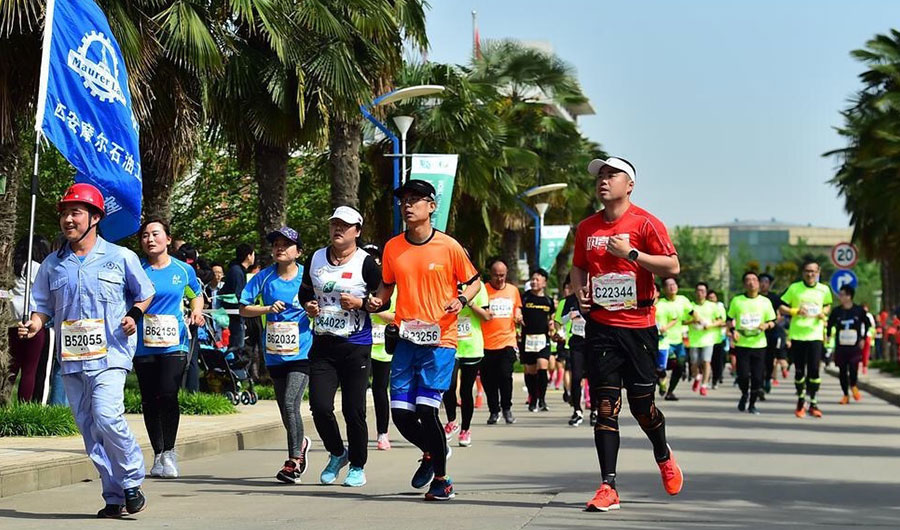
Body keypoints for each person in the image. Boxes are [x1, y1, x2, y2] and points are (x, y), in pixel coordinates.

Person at [19, 183, 154, 517]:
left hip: (111, 354)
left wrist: (134, 316)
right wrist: (35, 324)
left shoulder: (121, 257)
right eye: (65, 213)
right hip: (72, 359)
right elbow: (41, 306)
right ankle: (114, 495)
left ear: (95, 218)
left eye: (75, 212)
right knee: (90, 429)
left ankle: (131, 480)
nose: (68, 219)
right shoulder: (52, 264)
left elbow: (145, 293)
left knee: (107, 417)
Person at [571, 156, 683, 512]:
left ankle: (663, 454)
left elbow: (672, 266)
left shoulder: (646, 223)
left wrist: (632, 253)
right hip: (601, 327)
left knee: (642, 407)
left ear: (629, 184)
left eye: (611, 175)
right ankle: (608, 486)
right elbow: (578, 267)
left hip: (638, 329)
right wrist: (579, 291)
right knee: (605, 407)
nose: (603, 181)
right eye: (600, 176)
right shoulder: (587, 227)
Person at [366, 179, 481, 501]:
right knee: (401, 413)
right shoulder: (393, 247)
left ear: (431, 206)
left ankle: (442, 480)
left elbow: (474, 282)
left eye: (415, 199)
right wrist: (377, 300)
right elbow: (386, 286)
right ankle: (433, 450)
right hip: (406, 338)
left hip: (440, 340)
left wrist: (461, 299)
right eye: (403, 200)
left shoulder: (449, 246)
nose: (407, 205)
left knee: (427, 410)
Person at [300, 206, 383, 487]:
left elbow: (383, 300)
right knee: (320, 406)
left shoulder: (365, 263)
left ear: (356, 231)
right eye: (334, 224)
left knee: (353, 410)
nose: (338, 229)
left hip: (355, 345)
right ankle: (337, 453)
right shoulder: (316, 258)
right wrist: (309, 305)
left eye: (345, 226)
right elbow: (305, 292)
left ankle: (358, 465)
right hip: (323, 343)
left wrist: (361, 303)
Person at [239, 227, 313, 484]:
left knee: (291, 403)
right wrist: (267, 308)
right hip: (275, 353)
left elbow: (323, 303)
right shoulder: (264, 277)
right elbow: (243, 308)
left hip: (302, 351)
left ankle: (294, 461)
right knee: (284, 408)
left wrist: (312, 310)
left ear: (298, 251)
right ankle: (300, 443)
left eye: (286, 244)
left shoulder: (307, 276)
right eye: (276, 244)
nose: (280, 248)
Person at [134, 219, 204, 479]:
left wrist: (197, 312)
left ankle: (170, 452)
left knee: (168, 393)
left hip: (174, 342)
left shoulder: (182, 270)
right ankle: (157, 453)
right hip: (143, 344)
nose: (150, 239)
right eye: (145, 236)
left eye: (155, 234)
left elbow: (196, 294)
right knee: (149, 399)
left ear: (168, 239)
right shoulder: (136, 269)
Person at [779, 260, 832, 418]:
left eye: (813, 271)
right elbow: (781, 306)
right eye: (807, 271)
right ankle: (801, 401)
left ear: (818, 272)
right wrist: (795, 311)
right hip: (798, 335)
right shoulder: (794, 288)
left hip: (815, 335)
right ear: (803, 273)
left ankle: (814, 402)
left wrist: (823, 312)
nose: (810, 274)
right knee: (800, 370)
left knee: (814, 370)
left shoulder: (824, 289)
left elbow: (827, 305)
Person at [443, 279, 491, 447]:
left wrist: (469, 302)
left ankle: (465, 429)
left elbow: (487, 316)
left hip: (471, 347)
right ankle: (451, 421)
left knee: (466, 390)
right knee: (448, 386)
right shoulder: (444, 283)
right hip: (449, 344)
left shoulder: (478, 286)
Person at [7, 235, 53, 403]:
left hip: (11, 322)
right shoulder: (37, 268)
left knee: (11, 368)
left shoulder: (11, 267)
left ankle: (4, 402)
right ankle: (24, 406)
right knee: (29, 369)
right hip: (31, 322)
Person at [727, 272, 777, 414]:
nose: (751, 283)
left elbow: (772, 321)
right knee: (743, 375)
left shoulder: (765, 302)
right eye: (748, 280)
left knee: (757, 376)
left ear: (758, 283)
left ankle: (752, 404)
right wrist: (733, 331)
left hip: (759, 345)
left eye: (754, 280)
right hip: (742, 344)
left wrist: (766, 325)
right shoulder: (737, 300)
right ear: (744, 284)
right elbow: (729, 319)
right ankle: (744, 394)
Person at [480, 257, 522, 425]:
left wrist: (518, 316)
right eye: (496, 275)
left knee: (505, 376)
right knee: (488, 380)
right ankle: (494, 410)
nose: (499, 279)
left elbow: (517, 308)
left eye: (502, 275)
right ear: (490, 274)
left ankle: (506, 408)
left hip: (507, 341)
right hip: (486, 343)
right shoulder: (483, 290)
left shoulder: (513, 290)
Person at [362, 243, 395, 451]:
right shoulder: (357, 284)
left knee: (380, 390)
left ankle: (383, 433)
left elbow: (396, 316)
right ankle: (359, 433)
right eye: (368, 257)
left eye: (376, 258)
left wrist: (372, 309)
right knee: (357, 391)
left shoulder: (390, 287)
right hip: (361, 345)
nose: (373, 261)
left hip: (383, 349)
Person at [520, 268, 556, 412]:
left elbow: (552, 317)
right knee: (530, 371)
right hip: (528, 338)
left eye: (537, 280)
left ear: (544, 283)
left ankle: (542, 399)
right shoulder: (524, 298)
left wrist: (552, 325)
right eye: (532, 279)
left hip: (543, 338)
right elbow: (517, 312)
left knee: (542, 366)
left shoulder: (548, 301)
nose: (534, 282)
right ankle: (533, 398)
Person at [557, 275, 589, 426]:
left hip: (592, 342)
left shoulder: (594, 297)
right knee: (576, 377)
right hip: (576, 342)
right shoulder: (569, 300)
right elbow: (562, 320)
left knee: (593, 377)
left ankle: (595, 411)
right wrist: (570, 315)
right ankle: (577, 410)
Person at [827, 286, 868, 404]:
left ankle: (853, 385)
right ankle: (845, 394)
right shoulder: (837, 311)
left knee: (854, 368)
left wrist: (863, 338)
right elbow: (830, 323)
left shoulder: (858, 310)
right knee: (842, 371)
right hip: (841, 345)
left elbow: (867, 323)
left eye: (842, 295)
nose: (840, 297)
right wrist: (828, 335)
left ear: (849, 296)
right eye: (839, 295)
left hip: (854, 345)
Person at [656, 278, 692, 401]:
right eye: (669, 285)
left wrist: (698, 321)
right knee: (663, 366)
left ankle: (670, 391)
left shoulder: (683, 300)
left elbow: (692, 314)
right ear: (664, 289)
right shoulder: (660, 304)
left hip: (679, 341)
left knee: (681, 365)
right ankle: (661, 380)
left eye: (674, 284)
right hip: (664, 342)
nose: (672, 287)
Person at [687, 282, 724, 397]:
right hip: (694, 339)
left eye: (702, 291)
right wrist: (693, 321)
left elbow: (721, 320)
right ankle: (697, 377)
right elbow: (683, 321)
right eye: (698, 290)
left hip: (708, 339)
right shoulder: (690, 306)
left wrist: (710, 325)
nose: (700, 293)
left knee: (706, 361)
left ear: (706, 293)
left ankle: (704, 385)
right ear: (695, 292)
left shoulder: (712, 306)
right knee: (694, 363)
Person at [222, 243, 254, 349]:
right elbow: (238, 294)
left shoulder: (238, 270)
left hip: (237, 313)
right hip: (235, 314)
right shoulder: (236, 271)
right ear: (248, 256)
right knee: (237, 344)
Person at [759, 273, 786, 394]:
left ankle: (767, 379)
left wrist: (794, 311)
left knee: (769, 359)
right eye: (761, 281)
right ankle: (758, 383)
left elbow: (783, 308)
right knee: (758, 359)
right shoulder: (753, 297)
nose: (763, 284)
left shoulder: (774, 298)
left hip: (770, 332)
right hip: (756, 332)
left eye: (766, 282)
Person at [707, 290, 728, 389]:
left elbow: (724, 322)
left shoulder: (720, 308)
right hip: (706, 339)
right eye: (709, 298)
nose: (711, 299)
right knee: (706, 361)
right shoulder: (704, 309)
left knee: (717, 362)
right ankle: (706, 378)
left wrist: (713, 324)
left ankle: (715, 379)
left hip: (718, 339)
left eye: (713, 297)